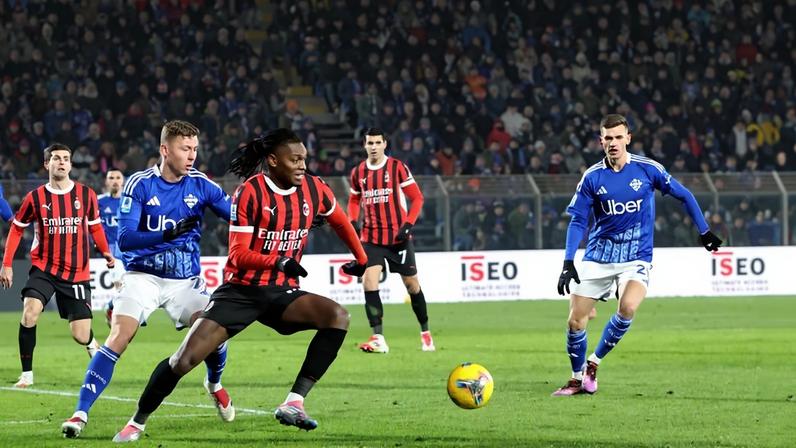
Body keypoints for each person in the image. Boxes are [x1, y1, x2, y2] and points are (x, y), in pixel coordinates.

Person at [111, 128, 367, 442]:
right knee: (183, 361)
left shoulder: (315, 190)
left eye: (305, 159)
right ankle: (137, 422)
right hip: (241, 291)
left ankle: (294, 402)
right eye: (295, 159)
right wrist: (278, 261)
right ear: (273, 160)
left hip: (280, 292)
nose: (303, 165)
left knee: (337, 316)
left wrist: (361, 257)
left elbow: (340, 220)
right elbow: (239, 254)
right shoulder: (251, 192)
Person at [61, 120, 234, 438]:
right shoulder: (139, 184)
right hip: (143, 276)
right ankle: (80, 413)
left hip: (184, 281)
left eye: (195, 149)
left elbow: (238, 215)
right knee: (119, 336)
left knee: (216, 334)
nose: (192, 155)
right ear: (165, 150)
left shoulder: (202, 184)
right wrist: (167, 233)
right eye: (185, 148)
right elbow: (126, 239)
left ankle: (214, 383)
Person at [553, 114, 723, 396]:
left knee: (628, 307)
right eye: (608, 138)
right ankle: (575, 378)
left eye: (619, 137)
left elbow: (685, 195)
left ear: (628, 138)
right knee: (575, 321)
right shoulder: (592, 176)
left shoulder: (647, 169)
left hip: (636, 257)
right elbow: (578, 221)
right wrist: (568, 260)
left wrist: (704, 231)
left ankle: (593, 363)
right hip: (598, 256)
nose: (613, 143)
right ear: (601, 141)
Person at [0, 143, 115, 388]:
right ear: (47, 164)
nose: (61, 162)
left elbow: (95, 226)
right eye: (55, 158)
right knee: (30, 312)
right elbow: (17, 229)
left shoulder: (86, 195)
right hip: (44, 269)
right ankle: (27, 375)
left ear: (71, 164)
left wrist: (105, 251)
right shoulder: (35, 198)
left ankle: (92, 343)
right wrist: (6, 264)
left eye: (65, 158)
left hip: (76, 272)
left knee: (80, 334)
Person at [348, 128, 434, 354]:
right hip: (372, 237)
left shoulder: (397, 167)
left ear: (385, 144)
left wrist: (407, 225)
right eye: (370, 143)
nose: (374, 146)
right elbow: (354, 199)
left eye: (378, 142)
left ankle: (425, 331)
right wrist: (352, 220)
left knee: (412, 286)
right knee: (369, 282)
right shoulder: (358, 172)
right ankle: (378, 337)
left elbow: (417, 198)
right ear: (364, 145)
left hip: (398, 238)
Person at [97, 169, 125, 326]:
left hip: (131, 250)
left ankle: (111, 307)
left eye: (118, 178)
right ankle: (115, 313)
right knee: (120, 287)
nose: (115, 180)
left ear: (123, 181)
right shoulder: (99, 201)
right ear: (106, 182)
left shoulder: (130, 201)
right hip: (111, 252)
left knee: (132, 287)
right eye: (111, 178)